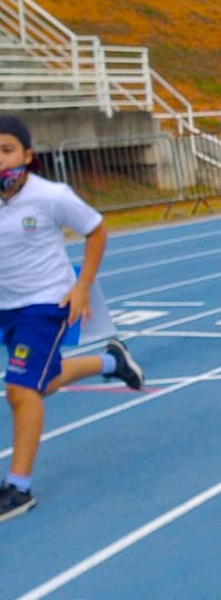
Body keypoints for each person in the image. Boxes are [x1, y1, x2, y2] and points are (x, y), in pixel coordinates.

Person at [0, 116, 144, 523]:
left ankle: (19, 487)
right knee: (39, 383)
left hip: (46, 304)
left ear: (27, 156)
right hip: (5, 306)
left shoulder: (52, 196)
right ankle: (112, 362)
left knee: (21, 391)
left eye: (6, 150)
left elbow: (96, 229)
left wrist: (82, 287)